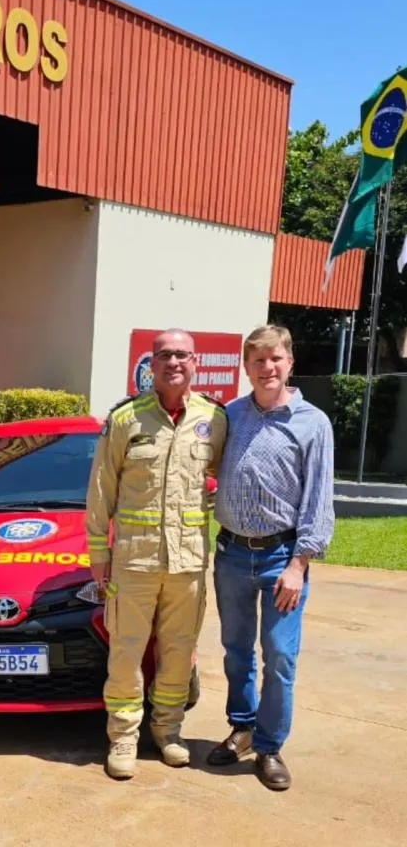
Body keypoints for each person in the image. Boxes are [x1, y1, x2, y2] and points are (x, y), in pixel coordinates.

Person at [85, 329, 227, 779]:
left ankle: (168, 732)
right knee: (125, 651)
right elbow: (101, 487)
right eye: (165, 354)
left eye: (182, 354)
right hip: (134, 560)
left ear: (195, 362)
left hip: (186, 562)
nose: (174, 362)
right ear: (152, 363)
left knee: (179, 651)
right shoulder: (127, 419)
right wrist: (97, 551)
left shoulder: (215, 419)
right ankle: (124, 737)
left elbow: (225, 476)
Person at [207, 325, 334, 792]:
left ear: (290, 362)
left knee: (280, 654)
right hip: (232, 554)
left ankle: (269, 746)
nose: (268, 368)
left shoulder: (312, 423)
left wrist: (299, 565)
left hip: (284, 557)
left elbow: (318, 500)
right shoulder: (231, 416)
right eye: (258, 361)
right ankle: (241, 729)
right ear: (246, 367)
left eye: (276, 359)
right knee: (237, 651)